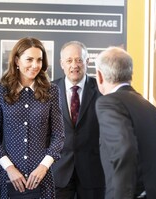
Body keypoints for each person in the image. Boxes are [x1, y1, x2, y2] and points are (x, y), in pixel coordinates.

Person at [95, 46, 156, 199]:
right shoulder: (148, 105)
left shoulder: (109, 103)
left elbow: (123, 149)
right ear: (130, 74)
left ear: (100, 76)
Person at [0, 37, 65, 199]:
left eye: (39, 60)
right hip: (10, 179)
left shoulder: (52, 92)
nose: (35, 65)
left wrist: (44, 166)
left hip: (42, 180)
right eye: (29, 59)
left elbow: (58, 135)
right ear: (17, 60)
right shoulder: (1, 91)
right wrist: (10, 168)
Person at [52, 41, 105, 199]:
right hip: (59, 172)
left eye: (79, 60)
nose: (74, 65)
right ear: (62, 64)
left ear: (87, 62)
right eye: (69, 61)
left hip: (93, 173)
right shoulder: (49, 91)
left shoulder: (102, 89)